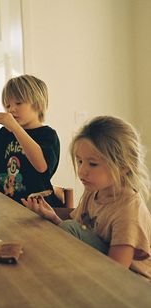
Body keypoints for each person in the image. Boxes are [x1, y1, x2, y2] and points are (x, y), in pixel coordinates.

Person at [22, 115, 151, 280]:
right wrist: (53, 216)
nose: (82, 171)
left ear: (123, 167)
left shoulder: (128, 211)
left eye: (93, 164)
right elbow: (81, 228)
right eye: (80, 161)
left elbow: (117, 273)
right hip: (103, 267)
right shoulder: (95, 190)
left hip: (132, 284)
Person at [0, 74, 63, 207]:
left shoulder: (47, 135)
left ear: (38, 103)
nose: (11, 109)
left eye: (18, 103)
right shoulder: (5, 133)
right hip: (5, 205)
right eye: (7, 105)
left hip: (37, 208)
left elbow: (41, 166)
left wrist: (15, 128)